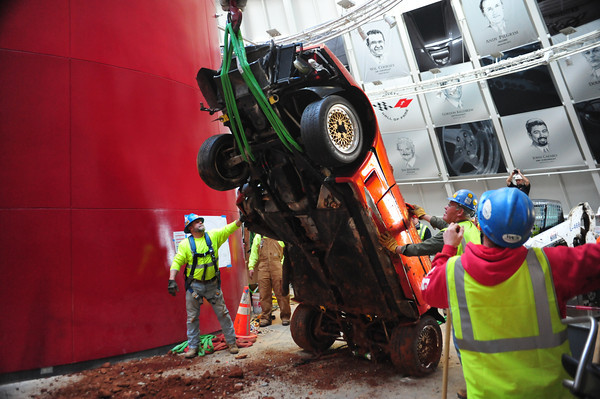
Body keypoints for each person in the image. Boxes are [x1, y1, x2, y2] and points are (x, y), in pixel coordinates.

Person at [421, 187, 600, 398]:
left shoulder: (453, 273)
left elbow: (427, 290)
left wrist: (448, 248)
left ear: (482, 225)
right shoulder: (551, 266)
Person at [168, 214, 243, 358]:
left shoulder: (213, 236)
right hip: (194, 287)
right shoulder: (185, 245)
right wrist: (171, 279)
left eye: (200, 221)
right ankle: (193, 347)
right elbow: (177, 261)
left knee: (223, 314)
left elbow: (228, 229)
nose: (200, 223)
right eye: (196, 222)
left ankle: (231, 342)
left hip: (212, 286)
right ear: (190, 228)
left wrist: (241, 220)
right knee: (192, 318)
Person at [379, 189, 480, 257]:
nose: (446, 207)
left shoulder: (448, 236)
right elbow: (445, 225)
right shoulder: (471, 227)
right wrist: (423, 216)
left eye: (449, 205)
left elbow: (420, 248)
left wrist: (395, 248)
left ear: (460, 212)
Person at [248, 233, 291, 327]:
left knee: (282, 292)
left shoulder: (279, 234)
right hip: (263, 267)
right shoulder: (259, 236)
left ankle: (285, 316)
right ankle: (265, 318)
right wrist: (251, 267)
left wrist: (283, 265)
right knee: (264, 294)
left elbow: (286, 253)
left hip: (278, 266)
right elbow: (254, 252)